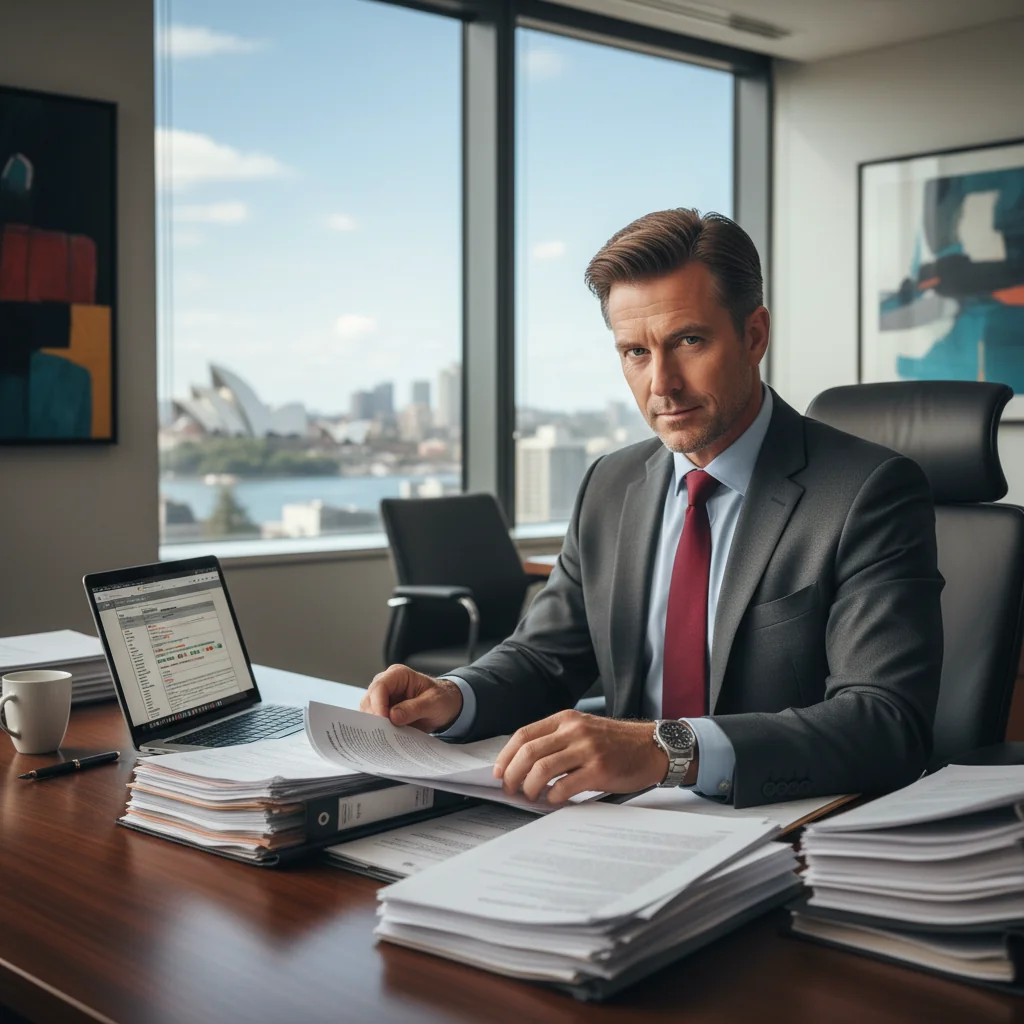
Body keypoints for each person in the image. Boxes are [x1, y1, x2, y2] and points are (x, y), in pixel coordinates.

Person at [362, 208, 944, 808]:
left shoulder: (869, 491)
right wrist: (455, 696)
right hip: (618, 823)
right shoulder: (609, 484)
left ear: (754, 336)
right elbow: (545, 656)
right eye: (635, 352)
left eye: (688, 341)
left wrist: (666, 749)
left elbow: (885, 722)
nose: (661, 383)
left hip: (779, 825)